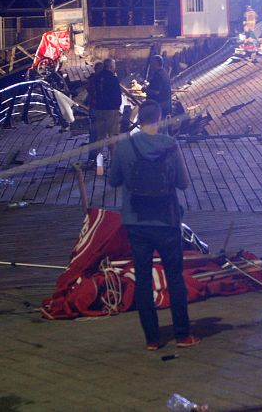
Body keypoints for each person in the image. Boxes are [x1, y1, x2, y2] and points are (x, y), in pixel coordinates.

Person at [108, 100, 199, 350]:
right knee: (175, 278)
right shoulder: (170, 145)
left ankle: (152, 339)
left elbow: (113, 180)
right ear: (159, 119)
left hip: (136, 222)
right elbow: (183, 183)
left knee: (144, 280)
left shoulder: (125, 145)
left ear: (140, 118)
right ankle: (183, 335)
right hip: (167, 221)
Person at [94, 58, 122, 162]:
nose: (115, 67)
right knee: (112, 137)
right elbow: (117, 96)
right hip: (111, 111)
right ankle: (113, 164)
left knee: (100, 138)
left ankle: (98, 165)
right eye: (114, 65)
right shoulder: (113, 79)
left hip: (99, 110)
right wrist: (117, 108)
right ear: (111, 66)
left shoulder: (98, 77)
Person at [145, 55, 172, 121]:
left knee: (157, 127)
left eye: (151, 62)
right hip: (165, 105)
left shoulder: (158, 75)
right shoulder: (164, 72)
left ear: (156, 63)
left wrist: (145, 90)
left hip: (159, 106)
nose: (150, 64)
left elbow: (156, 92)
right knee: (162, 127)